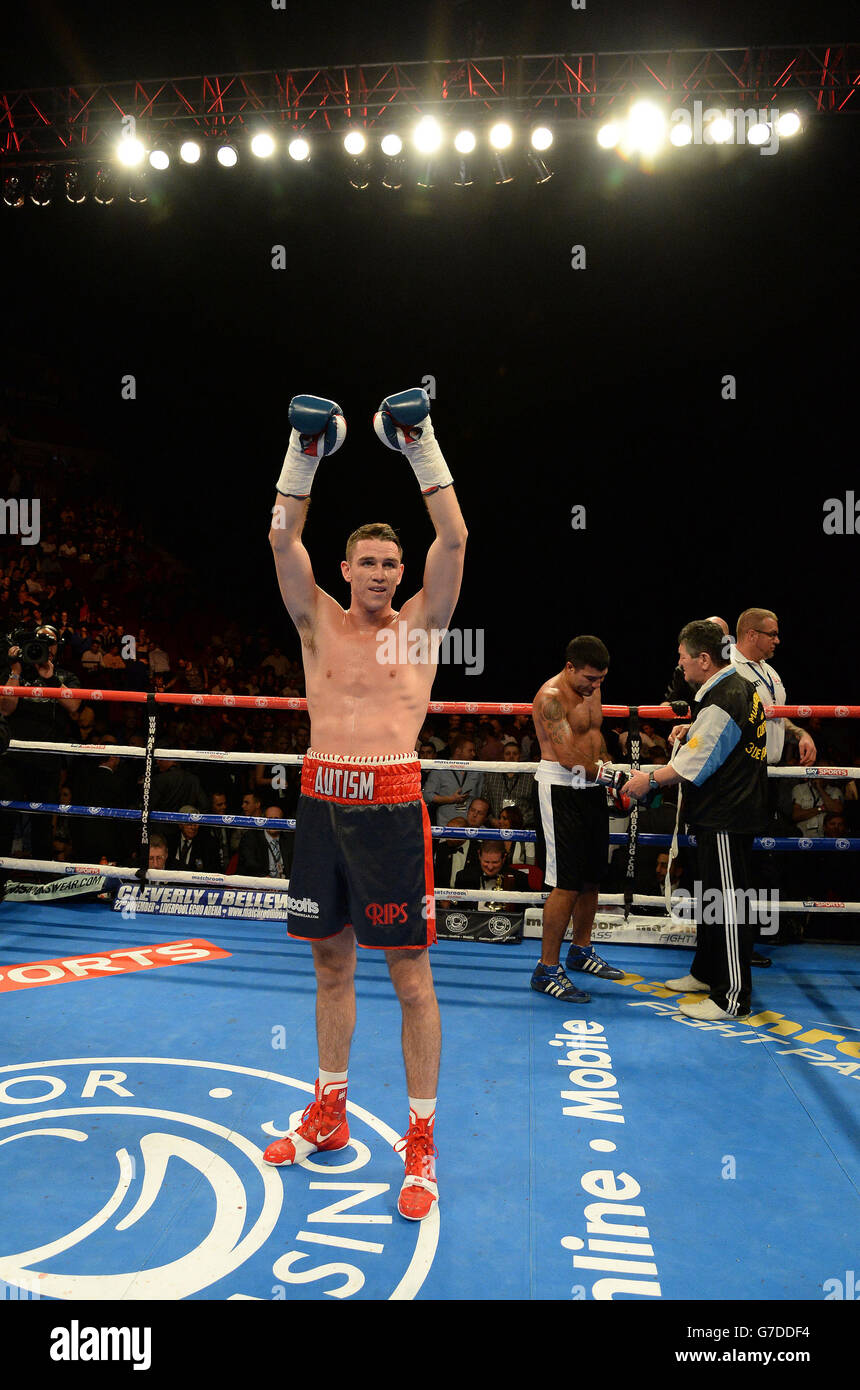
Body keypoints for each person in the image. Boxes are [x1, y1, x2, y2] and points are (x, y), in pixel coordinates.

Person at [263, 387, 467, 1224]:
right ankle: (330, 1113)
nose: (383, 574)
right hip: (320, 801)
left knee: (410, 976)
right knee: (329, 965)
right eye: (370, 563)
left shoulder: (421, 627)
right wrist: (302, 449)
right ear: (345, 570)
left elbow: (453, 535)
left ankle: (419, 1142)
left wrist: (418, 443)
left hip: (390, 807)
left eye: (393, 564)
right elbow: (281, 535)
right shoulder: (316, 623)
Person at [625, 621, 768, 1020]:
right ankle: (706, 973)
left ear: (703, 660)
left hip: (727, 814)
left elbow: (690, 766)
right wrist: (697, 727)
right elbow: (730, 736)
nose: (680, 664)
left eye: (683, 656)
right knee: (711, 896)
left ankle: (732, 997)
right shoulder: (735, 686)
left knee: (727, 904)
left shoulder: (724, 697)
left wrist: (646, 779)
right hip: (721, 812)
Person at [530, 634, 625, 1003]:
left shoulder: (591, 689)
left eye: (600, 679)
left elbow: (594, 737)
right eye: (589, 679)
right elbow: (567, 754)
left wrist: (609, 767)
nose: (595, 686)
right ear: (570, 667)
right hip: (561, 789)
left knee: (591, 878)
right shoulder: (551, 698)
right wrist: (613, 778)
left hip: (592, 788)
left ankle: (581, 950)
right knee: (565, 882)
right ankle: (546, 969)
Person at [422, 734, 483, 825]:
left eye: (474, 751)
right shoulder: (440, 770)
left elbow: (480, 798)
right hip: (446, 825)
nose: (474, 754)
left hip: (470, 827)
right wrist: (450, 799)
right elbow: (427, 796)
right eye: (470, 751)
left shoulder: (477, 772)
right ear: (458, 751)